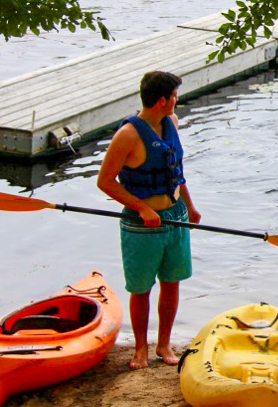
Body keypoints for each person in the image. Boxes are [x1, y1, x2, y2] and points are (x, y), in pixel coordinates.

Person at [96, 71, 199, 370]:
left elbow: (176, 170)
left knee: (172, 282)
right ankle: (140, 348)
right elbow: (105, 181)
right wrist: (142, 208)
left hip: (175, 216)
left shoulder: (172, 122)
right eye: (174, 96)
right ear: (161, 101)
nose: (177, 101)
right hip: (142, 226)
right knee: (141, 288)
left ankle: (163, 344)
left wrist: (190, 206)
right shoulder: (127, 135)